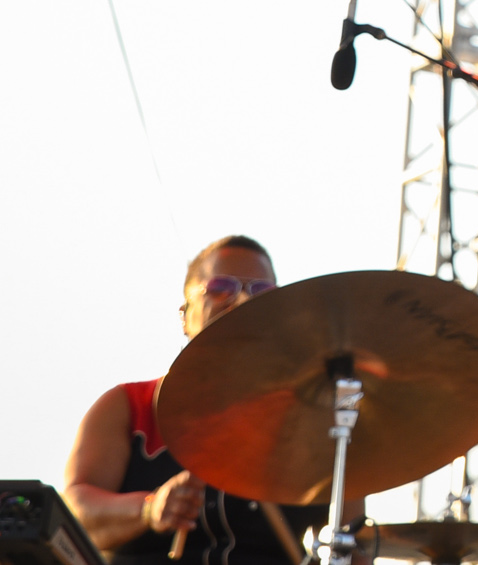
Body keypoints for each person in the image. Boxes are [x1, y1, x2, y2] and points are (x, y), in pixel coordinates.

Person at [61, 236, 346, 565]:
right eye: (221, 288)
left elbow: (350, 543)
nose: (242, 301)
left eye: (261, 292)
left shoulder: (318, 422)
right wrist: (150, 508)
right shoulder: (127, 407)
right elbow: (73, 513)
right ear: (185, 315)